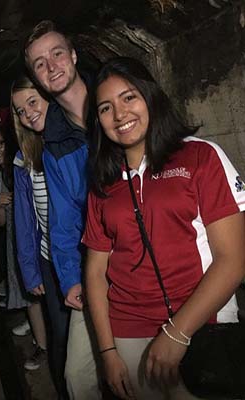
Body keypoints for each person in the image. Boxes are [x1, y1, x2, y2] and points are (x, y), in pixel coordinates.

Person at [83, 56, 245, 400]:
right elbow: (96, 272)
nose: (120, 114)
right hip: (127, 328)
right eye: (106, 108)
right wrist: (107, 352)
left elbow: (233, 259)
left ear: (150, 96)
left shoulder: (200, 157)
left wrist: (176, 334)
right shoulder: (103, 181)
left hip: (200, 322)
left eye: (129, 98)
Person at [24, 20, 100, 399]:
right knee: (78, 378)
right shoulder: (53, 139)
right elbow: (64, 218)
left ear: (73, 55)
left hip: (147, 263)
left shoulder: (115, 103)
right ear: (37, 80)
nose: (51, 66)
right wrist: (70, 277)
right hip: (97, 268)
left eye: (57, 54)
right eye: (40, 63)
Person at [11, 74, 70, 398]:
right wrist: (31, 269)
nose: (29, 113)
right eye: (20, 110)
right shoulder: (24, 158)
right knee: (60, 335)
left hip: (84, 255)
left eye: (33, 102)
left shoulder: (73, 142)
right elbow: (24, 219)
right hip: (50, 260)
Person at [0, 126, 48, 370]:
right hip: (19, 243)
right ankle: (42, 345)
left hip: (39, 239)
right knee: (31, 296)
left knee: (44, 296)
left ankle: (47, 342)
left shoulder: (25, 164)